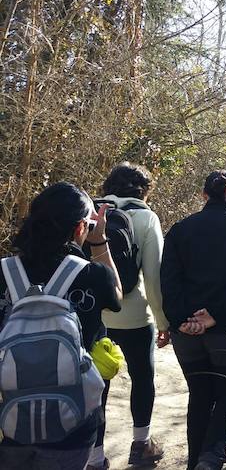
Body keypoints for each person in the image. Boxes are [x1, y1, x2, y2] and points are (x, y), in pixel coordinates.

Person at [0, 182, 122, 470]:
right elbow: (117, 296)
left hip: (9, 419)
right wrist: (100, 241)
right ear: (81, 228)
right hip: (73, 422)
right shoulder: (93, 275)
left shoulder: (4, 272)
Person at [161, 170, 226, 470]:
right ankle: (212, 456)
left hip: (187, 332)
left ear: (204, 195)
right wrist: (215, 315)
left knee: (200, 395)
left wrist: (181, 320)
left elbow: (168, 280)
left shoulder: (180, 230)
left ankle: (196, 463)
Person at [90, 163, 168, 469]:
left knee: (96, 386)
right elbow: (154, 276)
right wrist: (163, 322)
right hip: (135, 315)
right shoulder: (146, 217)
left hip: (95, 317)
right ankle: (141, 445)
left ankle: (95, 457)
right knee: (142, 377)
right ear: (144, 190)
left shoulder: (91, 212)